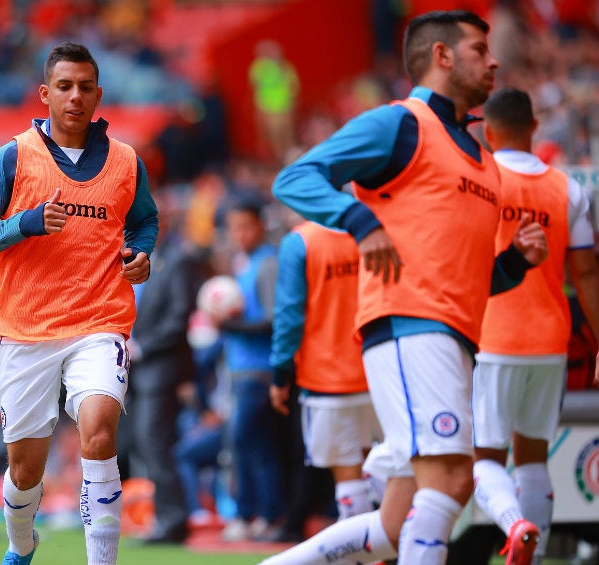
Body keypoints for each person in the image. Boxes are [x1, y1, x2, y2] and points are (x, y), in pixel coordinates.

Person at [257, 10, 549, 565]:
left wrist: (514, 262)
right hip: (411, 329)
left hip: (454, 338)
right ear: (441, 56)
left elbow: (469, 276)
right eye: (478, 49)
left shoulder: (485, 161)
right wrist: (360, 222)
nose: (494, 61)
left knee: (395, 524)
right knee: (452, 479)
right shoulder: (401, 124)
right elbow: (294, 177)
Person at [0, 41, 158, 565]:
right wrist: (24, 222)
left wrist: (141, 254)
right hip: (26, 330)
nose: (75, 97)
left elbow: (144, 221)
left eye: (85, 88)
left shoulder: (126, 161)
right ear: (46, 93)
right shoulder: (14, 156)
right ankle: (21, 545)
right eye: (64, 87)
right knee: (25, 472)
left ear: (98, 95)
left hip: (100, 321)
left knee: (99, 432)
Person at [471, 87, 599, 565]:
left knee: (483, 459)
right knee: (532, 458)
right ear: (534, 129)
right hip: (550, 340)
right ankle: (534, 554)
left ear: (487, 131)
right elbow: (585, 272)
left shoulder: (481, 182)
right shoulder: (568, 189)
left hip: (493, 337)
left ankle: (513, 527)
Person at [267, 219, 381, 540]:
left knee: (347, 473)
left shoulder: (302, 240)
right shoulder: (373, 229)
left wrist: (280, 373)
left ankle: (359, 554)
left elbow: (289, 314)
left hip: (326, 376)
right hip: (378, 367)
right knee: (383, 466)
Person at [126, 212, 202, 545]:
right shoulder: (132, 260)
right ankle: (166, 516)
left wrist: (142, 345)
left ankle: (173, 520)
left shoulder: (177, 261)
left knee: (155, 442)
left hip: (162, 369)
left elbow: (180, 316)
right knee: (147, 444)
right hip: (139, 371)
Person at [211, 200, 285, 542]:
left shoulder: (267, 263)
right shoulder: (244, 265)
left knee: (248, 443)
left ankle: (257, 515)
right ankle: (263, 514)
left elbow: (274, 321)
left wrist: (230, 325)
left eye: (245, 226)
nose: (239, 234)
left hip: (259, 372)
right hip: (242, 372)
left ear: (260, 226)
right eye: (233, 228)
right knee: (255, 444)